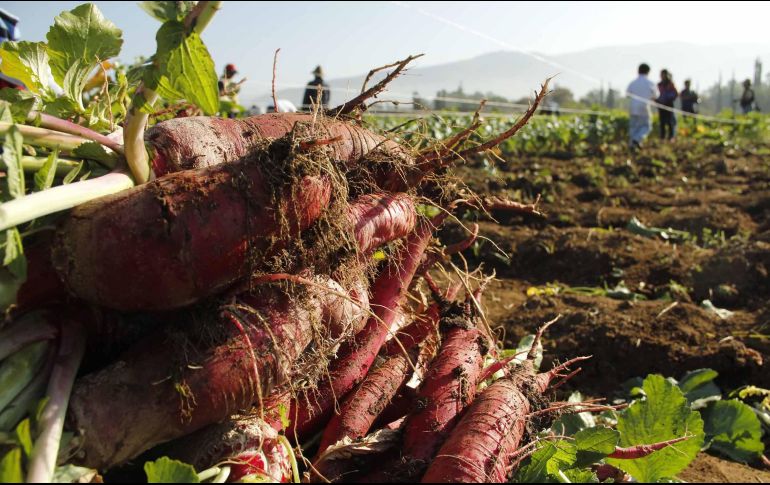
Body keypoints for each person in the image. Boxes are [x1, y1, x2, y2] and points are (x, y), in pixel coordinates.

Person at [626, 63, 657, 151]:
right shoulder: (650, 83)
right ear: (648, 72)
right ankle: (636, 140)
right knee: (646, 126)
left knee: (634, 126)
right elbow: (656, 95)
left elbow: (628, 94)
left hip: (633, 107)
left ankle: (632, 144)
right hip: (644, 107)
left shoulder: (633, 83)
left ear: (638, 71)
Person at [657, 69, 678, 140]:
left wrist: (669, 98)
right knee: (662, 122)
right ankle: (662, 137)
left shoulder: (670, 84)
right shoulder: (659, 84)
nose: (662, 76)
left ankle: (671, 137)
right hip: (661, 105)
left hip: (669, 105)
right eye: (661, 74)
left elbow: (676, 93)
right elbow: (656, 94)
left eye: (664, 74)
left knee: (670, 122)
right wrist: (658, 100)